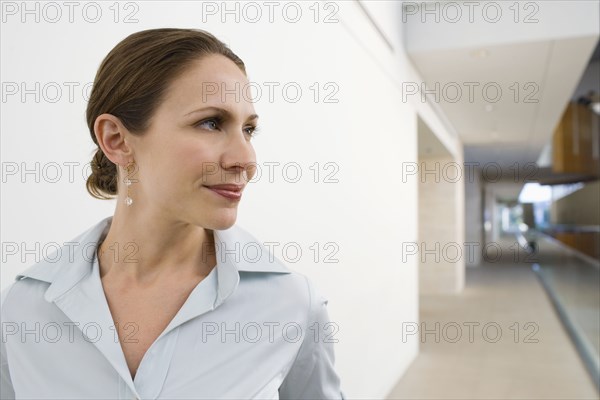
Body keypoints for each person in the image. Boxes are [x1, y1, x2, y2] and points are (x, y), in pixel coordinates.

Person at [0, 28, 345, 400]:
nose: (246, 159)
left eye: (248, 129)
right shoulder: (26, 307)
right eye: (211, 122)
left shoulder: (291, 303)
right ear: (116, 139)